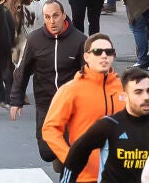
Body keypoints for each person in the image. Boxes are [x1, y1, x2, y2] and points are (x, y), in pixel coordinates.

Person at [60, 68, 149, 183]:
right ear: (124, 96)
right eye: (138, 92)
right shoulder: (109, 125)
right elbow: (76, 154)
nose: (146, 97)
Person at [9, 0, 86, 163]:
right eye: (47, 17)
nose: (52, 21)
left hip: (72, 104)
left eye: (56, 16)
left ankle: (68, 164)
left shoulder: (79, 40)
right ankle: (62, 158)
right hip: (46, 102)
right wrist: (16, 100)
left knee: (72, 149)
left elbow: (89, 74)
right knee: (47, 153)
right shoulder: (35, 40)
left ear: (64, 15)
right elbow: (22, 71)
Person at [42, 33, 123, 174]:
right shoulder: (70, 90)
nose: (104, 56)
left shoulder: (125, 89)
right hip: (84, 175)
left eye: (109, 52)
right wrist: (69, 158)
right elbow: (50, 129)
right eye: (97, 52)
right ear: (86, 57)